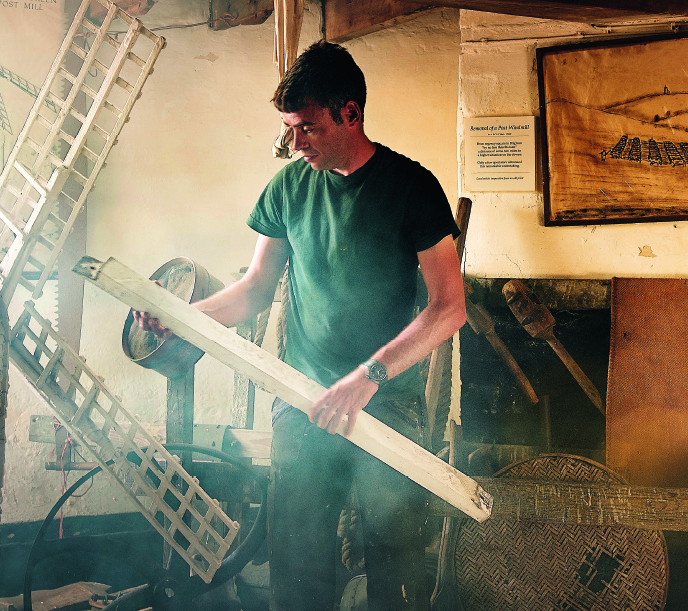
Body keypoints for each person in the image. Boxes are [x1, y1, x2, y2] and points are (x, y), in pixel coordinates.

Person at [134, 41, 465, 611]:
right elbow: (256, 290)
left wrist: (370, 376)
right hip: (305, 400)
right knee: (298, 566)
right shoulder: (288, 188)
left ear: (350, 114)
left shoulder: (411, 187)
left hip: (386, 405)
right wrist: (180, 320)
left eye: (307, 127)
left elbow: (448, 308)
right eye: (289, 128)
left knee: (396, 565)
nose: (294, 143)